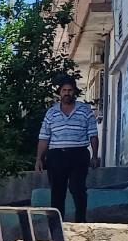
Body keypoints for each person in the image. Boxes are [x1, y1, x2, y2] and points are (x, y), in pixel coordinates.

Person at [34, 72, 99, 223]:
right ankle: (57, 226)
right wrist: (39, 158)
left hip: (79, 155)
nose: (67, 93)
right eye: (64, 90)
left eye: (70, 90)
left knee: (78, 189)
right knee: (57, 192)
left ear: (74, 92)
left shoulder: (84, 110)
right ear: (59, 93)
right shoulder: (51, 113)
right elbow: (44, 137)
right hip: (56, 156)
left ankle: (80, 223)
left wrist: (95, 156)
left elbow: (93, 135)